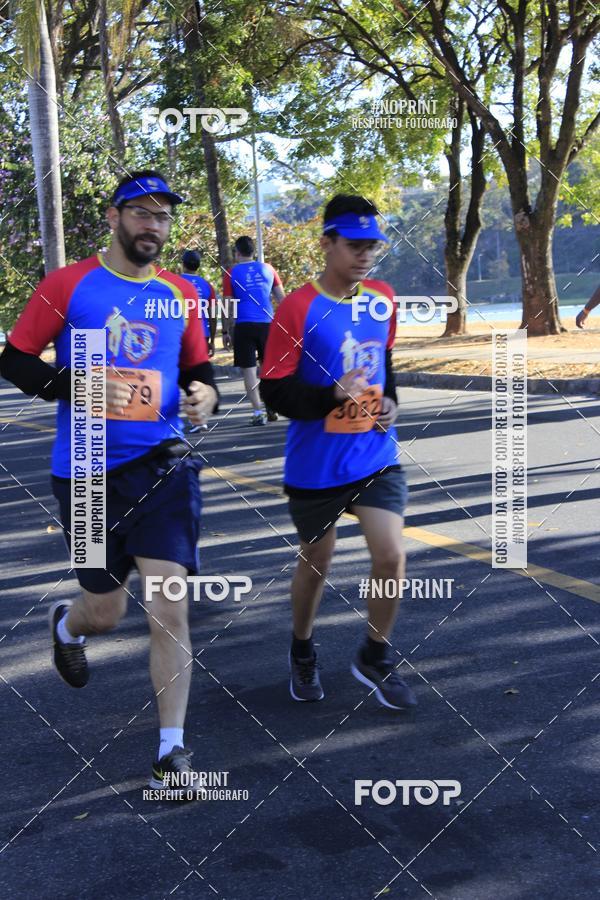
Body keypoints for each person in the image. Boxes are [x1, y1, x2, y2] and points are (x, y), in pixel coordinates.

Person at [0, 169, 218, 796]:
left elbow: (200, 369)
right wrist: (79, 385)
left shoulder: (181, 292)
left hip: (162, 467)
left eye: (163, 216)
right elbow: (14, 359)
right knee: (105, 609)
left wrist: (206, 396)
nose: (154, 225)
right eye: (142, 212)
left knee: (168, 604)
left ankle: (172, 751)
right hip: (87, 471)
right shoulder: (69, 285)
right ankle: (68, 627)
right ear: (114, 217)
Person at [259, 194, 416, 710]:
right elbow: (274, 391)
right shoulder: (297, 307)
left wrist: (391, 402)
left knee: (391, 554)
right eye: (355, 245)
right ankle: (302, 647)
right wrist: (331, 395)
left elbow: (383, 362)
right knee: (317, 561)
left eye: (373, 246)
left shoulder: (383, 298)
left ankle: (375, 654)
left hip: (374, 455)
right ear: (327, 243)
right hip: (316, 464)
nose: (365, 255)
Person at [223, 235, 285, 425]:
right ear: (253, 251)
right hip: (267, 325)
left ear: (237, 252)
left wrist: (226, 331)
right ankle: (271, 406)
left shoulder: (231, 272)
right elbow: (282, 300)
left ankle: (258, 413)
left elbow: (227, 305)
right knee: (268, 369)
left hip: (243, 326)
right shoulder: (269, 269)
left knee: (249, 371)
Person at [180, 249, 217, 357]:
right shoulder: (207, 286)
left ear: (183, 264)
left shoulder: (175, 283)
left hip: (181, 335)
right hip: (202, 334)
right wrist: (212, 341)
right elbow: (213, 317)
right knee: (199, 367)